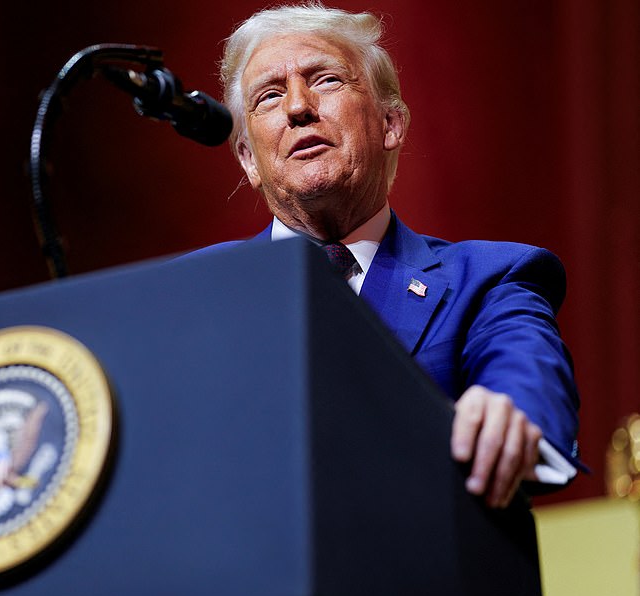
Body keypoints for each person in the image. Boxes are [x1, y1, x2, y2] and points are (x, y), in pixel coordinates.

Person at [200, 2, 581, 507]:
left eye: (327, 80)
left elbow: (526, 376)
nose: (297, 107)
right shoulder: (195, 292)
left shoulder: (489, 279)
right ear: (248, 158)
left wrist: (508, 411)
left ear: (390, 123)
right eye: (269, 95)